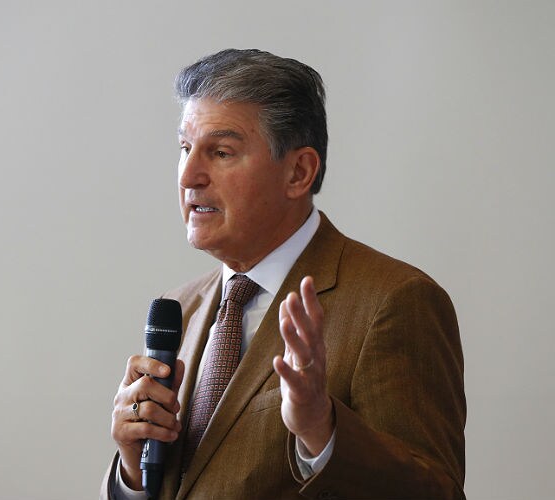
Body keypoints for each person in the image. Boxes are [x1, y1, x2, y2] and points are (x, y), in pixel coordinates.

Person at [101, 48, 466, 500]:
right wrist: (133, 473)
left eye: (221, 152)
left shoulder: (394, 301)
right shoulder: (181, 307)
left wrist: (322, 432)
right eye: (185, 149)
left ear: (298, 172)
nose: (190, 175)